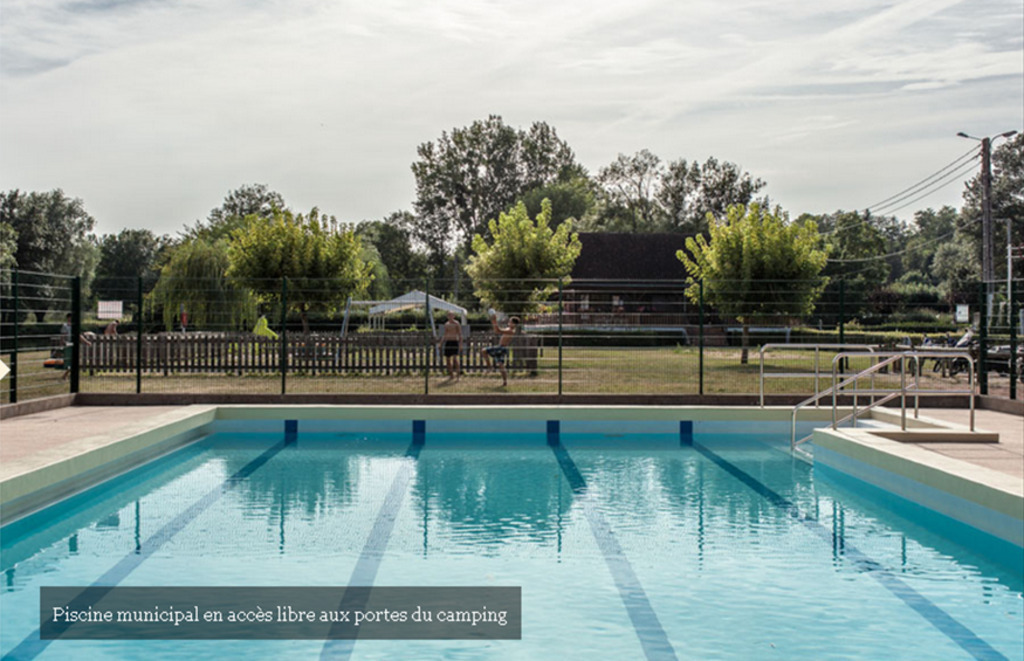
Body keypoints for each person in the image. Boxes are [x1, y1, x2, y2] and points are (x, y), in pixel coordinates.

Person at [481, 312, 519, 387]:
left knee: (484, 351)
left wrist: (494, 321)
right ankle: (505, 382)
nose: (509, 322)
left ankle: (489, 367)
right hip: (502, 348)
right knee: (501, 365)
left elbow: (498, 330)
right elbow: (496, 330)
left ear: (514, 324)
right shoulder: (508, 329)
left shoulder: (511, 331)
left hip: (501, 348)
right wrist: (493, 321)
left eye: (510, 322)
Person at [437, 311, 463, 380]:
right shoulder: (446, 324)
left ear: (454, 316)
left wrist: (460, 344)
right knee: (448, 359)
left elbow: (460, 334)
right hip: (448, 342)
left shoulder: (457, 323)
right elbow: (445, 334)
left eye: (451, 315)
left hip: (454, 342)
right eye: (449, 315)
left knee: (455, 359)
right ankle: (451, 375)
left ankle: (458, 375)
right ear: (447, 316)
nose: (450, 317)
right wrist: (441, 343)